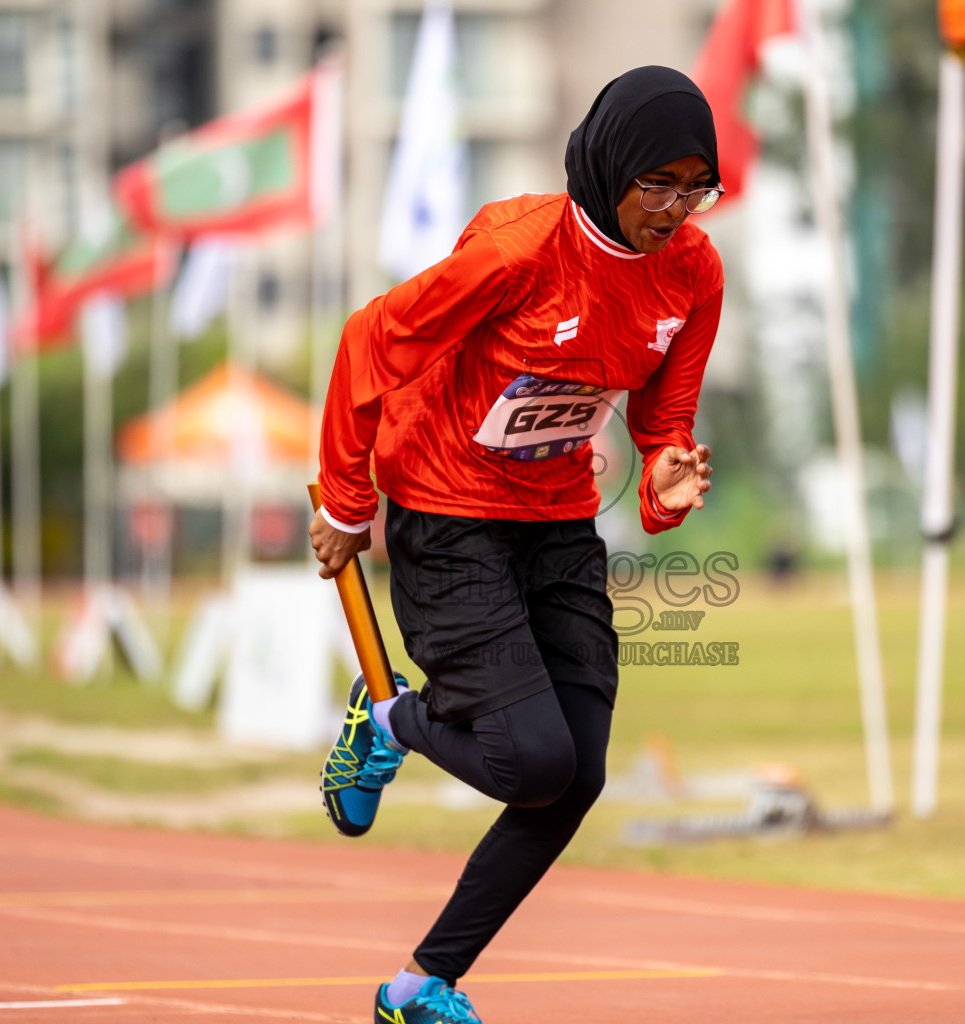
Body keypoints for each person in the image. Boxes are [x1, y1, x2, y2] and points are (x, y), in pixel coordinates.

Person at [311, 65, 724, 1024]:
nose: (672, 207)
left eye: (692, 185)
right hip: (448, 512)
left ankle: (421, 987)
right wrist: (343, 500)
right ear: (610, 167)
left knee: (576, 774)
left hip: (555, 521)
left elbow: (666, 418)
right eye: (653, 183)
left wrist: (664, 477)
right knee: (532, 761)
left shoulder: (693, 271)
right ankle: (388, 723)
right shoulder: (518, 250)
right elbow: (371, 342)